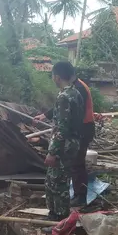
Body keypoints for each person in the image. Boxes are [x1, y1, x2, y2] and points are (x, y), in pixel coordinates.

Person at [34, 64, 93, 206]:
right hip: (78, 132)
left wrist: (53, 151)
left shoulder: (73, 91)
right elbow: (62, 110)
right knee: (72, 167)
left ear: (57, 77)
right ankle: (76, 198)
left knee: (72, 169)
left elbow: (63, 124)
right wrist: (45, 115)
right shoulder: (75, 90)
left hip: (80, 130)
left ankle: (78, 198)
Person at [44, 61, 85, 222]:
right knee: (59, 179)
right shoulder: (76, 93)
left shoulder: (63, 97)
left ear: (57, 77)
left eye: (53, 76)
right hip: (73, 143)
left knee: (56, 183)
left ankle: (59, 219)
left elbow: (62, 128)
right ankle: (56, 216)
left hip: (64, 145)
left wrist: (52, 152)